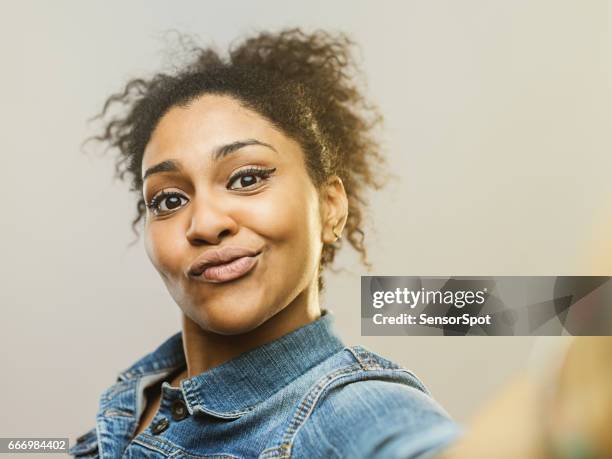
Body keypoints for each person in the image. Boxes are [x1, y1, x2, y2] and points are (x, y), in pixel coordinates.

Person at [69, 28, 462, 458]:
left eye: (247, 178)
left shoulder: (351, 408)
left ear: (330, 207)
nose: (205, 223)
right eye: (170, 199)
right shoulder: (139, 397)